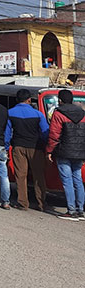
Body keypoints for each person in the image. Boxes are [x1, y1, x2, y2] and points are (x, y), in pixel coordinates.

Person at [4, 89, 48, 211]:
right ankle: (42, 203)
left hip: (18, 147)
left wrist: (6, 148)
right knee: (39, 176)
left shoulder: (10, 113)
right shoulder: (39, 114)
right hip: (36, 148)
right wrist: (45, 147)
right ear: (29, 100)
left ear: (17, 100)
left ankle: (23, 203)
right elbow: (45, 133)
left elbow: (7, 134)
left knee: (20, 175)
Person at [46, 89, 85, 220]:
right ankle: (80, 210)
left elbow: (54, 134)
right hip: (79, 152)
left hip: (63, 151)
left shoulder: (58, 113)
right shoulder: (83, 113)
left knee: (67, 181)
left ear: (60, 100)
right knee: (78, 180)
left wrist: (49, 150)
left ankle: (71, 211)